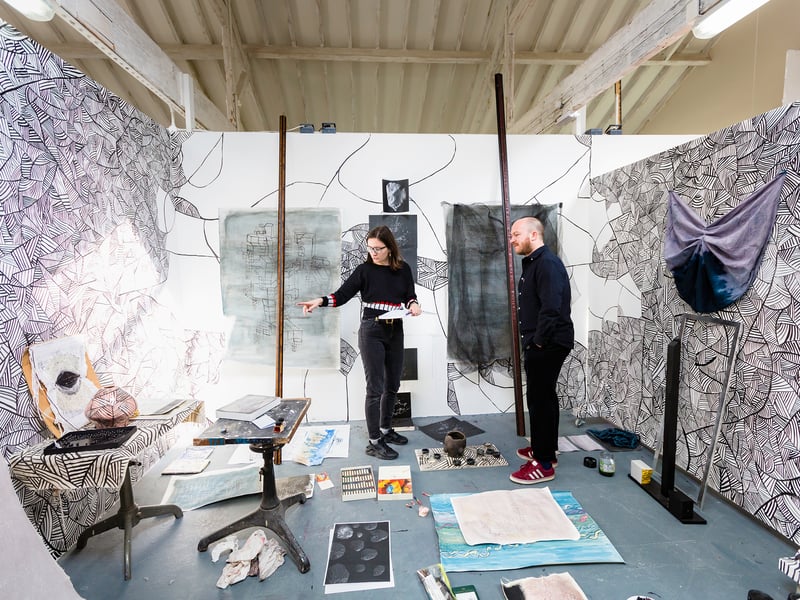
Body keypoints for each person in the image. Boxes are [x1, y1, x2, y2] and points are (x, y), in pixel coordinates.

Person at [297, 225, 422, 460]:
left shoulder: (403, 269)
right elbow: (342, 295)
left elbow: (409, 296)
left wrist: (414, 304)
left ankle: (386, 429)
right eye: (370, 248)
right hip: (372, 331)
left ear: (390, 248)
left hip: (396, 330)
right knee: (375, 388)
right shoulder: (364, 270)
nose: (373, 252)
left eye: (378, 248)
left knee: (393, 384)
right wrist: (320, 301)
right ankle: (374, 441)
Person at [508, 216, 574, 484]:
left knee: (540, 400)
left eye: (516, 234)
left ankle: (543, 464)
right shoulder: (536, 263)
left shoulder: (547, 263)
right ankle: (544, 449)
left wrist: (538, 341)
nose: (512, 240)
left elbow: (551, 306)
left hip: (548, 343)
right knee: (543, 397)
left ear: (533, 235)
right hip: (545, 342)